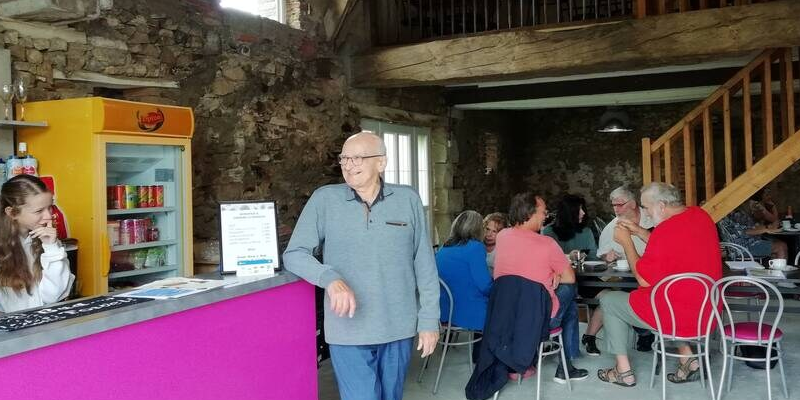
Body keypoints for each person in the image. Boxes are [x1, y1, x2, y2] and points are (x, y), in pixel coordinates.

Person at [283, 131, 440, 400]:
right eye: (344, 158)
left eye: (358, 157)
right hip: (348, 329)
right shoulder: (325, 200)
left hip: (398, 327)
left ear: (381, 163)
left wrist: (429, 320)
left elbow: (424, 265)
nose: (348, 164)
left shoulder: (408, 200)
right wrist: (329, 278)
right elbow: (294, 254)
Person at [597, 182, 722, 387]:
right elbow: (669, 246)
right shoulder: (700, 215)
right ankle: (689, 362)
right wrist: (638, 231)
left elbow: (644, 280)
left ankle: (623, 372)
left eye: (646, 207)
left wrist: (626, 242)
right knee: (671, 296)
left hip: (679, 316)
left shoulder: (665, 230)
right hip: (707, 311)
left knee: (610, 300)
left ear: (662, 205)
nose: (645, 212)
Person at [494, 192, 589, 383]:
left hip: (507, 315)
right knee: (570, 293)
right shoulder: (547, 243)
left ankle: (538, 360)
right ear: (529, 213)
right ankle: (566, 366)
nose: (546, 216)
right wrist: (555, 273)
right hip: (539, 320)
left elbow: (521, 268)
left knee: (566, 301)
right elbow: (570, 278)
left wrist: (552, 273)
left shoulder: (502, 236)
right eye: (543, 212)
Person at [583, 186, 656, 356]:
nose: (616, 209)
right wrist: (607, 257)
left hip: (651, 274)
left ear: (632, 204)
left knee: (617, 296)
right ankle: (644, 333)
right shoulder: (611, 228)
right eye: (613, 205)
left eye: (619, 205)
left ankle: (643, 333)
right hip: (623, 277)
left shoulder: (652, 220)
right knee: (617, 293)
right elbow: (602, 256)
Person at [0, 174, 73, 313]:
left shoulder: (47, 239)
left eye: (50, 207)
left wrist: (51, 247)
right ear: (12, 213)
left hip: (42, 325)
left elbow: (53, 296)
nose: (48, 216)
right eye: (39, 211)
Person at [718, 202, 787, 259]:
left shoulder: (734, 213)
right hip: (743, 247)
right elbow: (745, 232)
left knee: (775, 245)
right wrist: (766, 229)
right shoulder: (729, 215)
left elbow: (752, 226)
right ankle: (781, 274)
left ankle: (775, 272)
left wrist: (768, 227)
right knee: (781, 246)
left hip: (743, 245)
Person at [541, 194, 598, 261]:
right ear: (568, 212)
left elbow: (594, 257)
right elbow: (546, 259)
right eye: (579, 209)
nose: (583, 212)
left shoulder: (587, 232)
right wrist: (569, 257)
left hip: (585, 271)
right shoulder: (548, 232)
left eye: (582, 208)